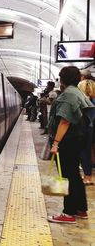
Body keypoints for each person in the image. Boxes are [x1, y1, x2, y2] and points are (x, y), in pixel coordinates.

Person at [47, 66, 95, 223]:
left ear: (62, 80)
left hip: (70, 140)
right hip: (78, 139)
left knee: (68, 176)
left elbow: (65, 120)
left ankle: (68, 213)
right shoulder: (77, 92)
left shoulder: (69, 94)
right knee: (74, 175)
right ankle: (81, 209)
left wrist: (55, 143)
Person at [78, 78, 95, 185]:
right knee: (88, 152)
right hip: (91, 129)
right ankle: (88, 175)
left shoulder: (86, 101)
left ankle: (87, 177)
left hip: (87, 129)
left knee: (84, 152)